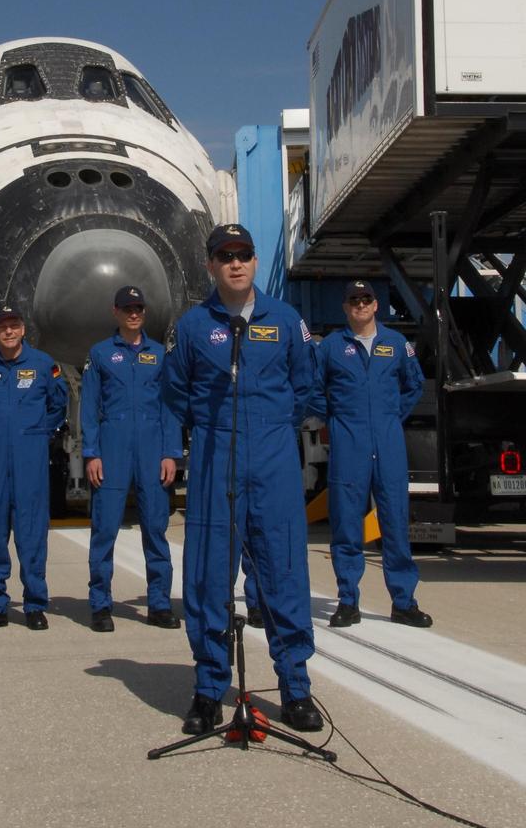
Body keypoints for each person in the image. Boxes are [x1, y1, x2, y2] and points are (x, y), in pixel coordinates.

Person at [162, 223, 323, 735]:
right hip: (215, 460)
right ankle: (209, 689)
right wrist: (214, 427)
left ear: (255, 262)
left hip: (273, 461)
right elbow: (175, 391)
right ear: (210, 265)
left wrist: (272, 426)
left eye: (244, 254)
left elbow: (306, 387)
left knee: (283, 573)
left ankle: (295, 687)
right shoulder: (192, 327)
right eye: (224, 255)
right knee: (209, 578)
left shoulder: (286, 319)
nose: (235, 263)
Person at [309, 279, 431, 629]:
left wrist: (392, 416)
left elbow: (414, 384)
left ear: (376, 305)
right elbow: (313, 389)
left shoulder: (395, 344)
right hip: (349, 444)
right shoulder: (332, 347)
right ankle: (348, 601)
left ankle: (404, 602)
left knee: (395, 523)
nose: (360, 305)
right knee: (347, 523)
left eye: (366, 299)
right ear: (345, 308)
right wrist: (335, 416)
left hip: (389, 443)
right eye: (353, 301)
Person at [81, 285, 182, 632]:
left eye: (138, 308)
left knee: (155, 528)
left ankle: (159, 603)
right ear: (116, 312)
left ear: (144, 312)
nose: (133, 313)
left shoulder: (159, 354)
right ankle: (100, 605)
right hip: (112, 446)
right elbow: (89, 409)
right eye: (127, 308)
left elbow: (171, 408)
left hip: (153, 449)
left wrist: (172, 453)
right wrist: (91, 453)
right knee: (105, 528)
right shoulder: (100, 354)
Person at [0, 304, 67, 631]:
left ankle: (35, 604)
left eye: (14, 325)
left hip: (31, 457)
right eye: (2, 326)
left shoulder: (43, 365)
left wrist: (35, 433)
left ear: (23, 329)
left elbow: (58, 404)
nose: (8, 331)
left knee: (32, 532)